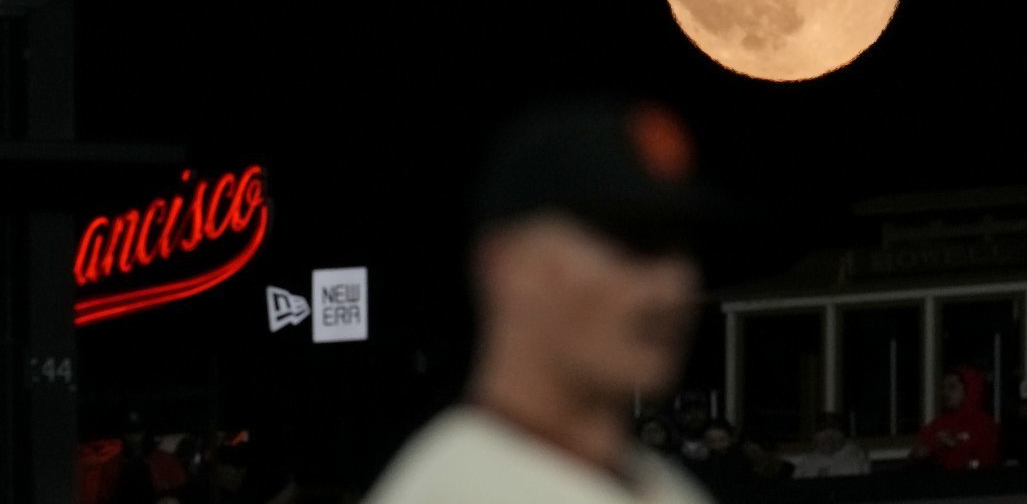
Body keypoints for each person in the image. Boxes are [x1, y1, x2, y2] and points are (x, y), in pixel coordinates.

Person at [363, 93, 723, 503]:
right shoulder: (451, 491)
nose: (673, 285)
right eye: (633, 243)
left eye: (683, 250)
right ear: (508, 267)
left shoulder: (668, 488)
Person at [911, 364, 999, 470]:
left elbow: (985, 463)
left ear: (970, 390)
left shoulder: (984, 424)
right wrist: (923, 452)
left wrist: (955, 446)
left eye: (952, 387)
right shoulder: (940, 422)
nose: (945, 392)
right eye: (943, 387)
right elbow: (918, 452)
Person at [790, 411, 871, 478]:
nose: (829, 437)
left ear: (843, 435)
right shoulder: (806, 462)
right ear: (814, 437)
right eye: (823, 432)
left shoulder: (857, 457)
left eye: (834, 431)